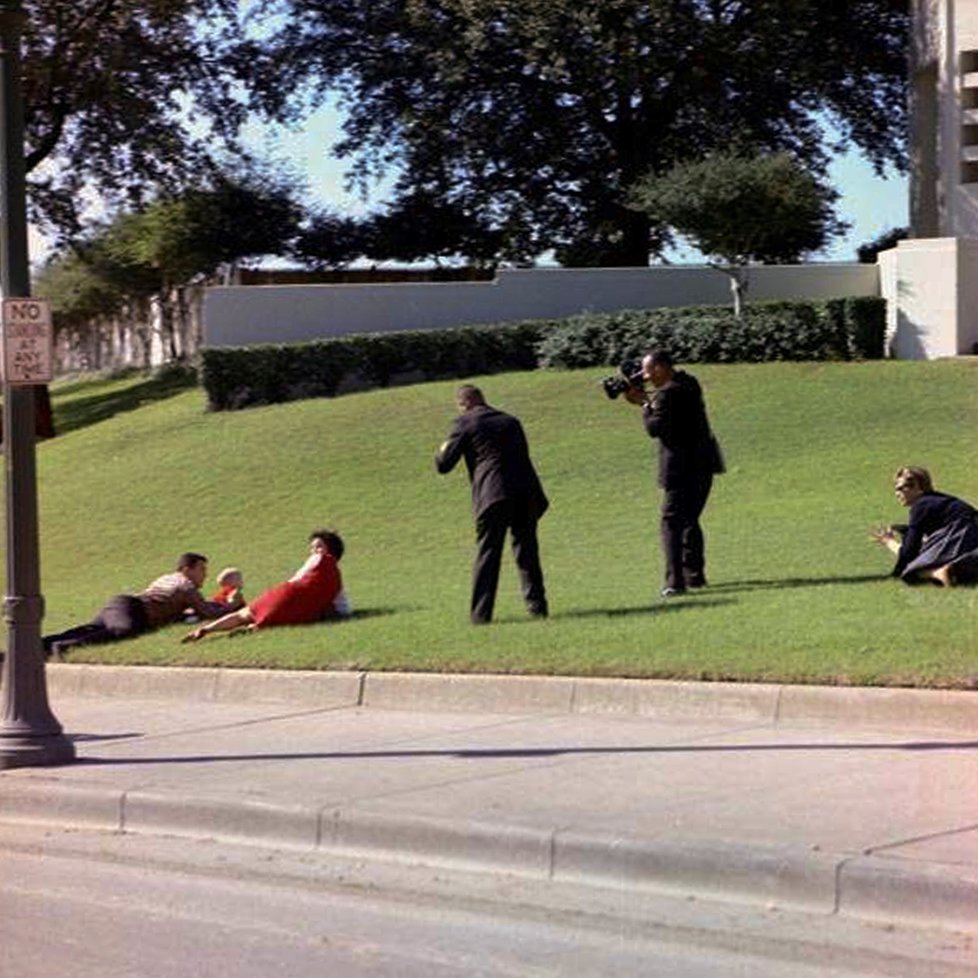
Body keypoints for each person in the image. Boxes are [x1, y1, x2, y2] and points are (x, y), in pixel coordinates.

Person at [436, 385, 549, 624]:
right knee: (527, 551)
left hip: (494, 493)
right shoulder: (511, 421)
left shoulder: (465, 422)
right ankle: (538, 609)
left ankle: (481, 615)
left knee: (488, 554)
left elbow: (444, 464)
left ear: (463, 403)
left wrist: (443, 448)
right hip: (526, 492)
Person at [624, 349, 724, 598]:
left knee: (670, 523)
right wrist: (646, 396)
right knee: (690, 520)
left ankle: (674, 582)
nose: (645, 376)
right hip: (704, 464)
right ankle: (695, 576)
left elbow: (654, 428)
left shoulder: (668, 394)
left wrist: (642, 404)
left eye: (647, 371)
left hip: (680, 468)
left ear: (660, 368)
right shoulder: (689, 383)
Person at [43, 552, 224, 657]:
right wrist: (234, 605)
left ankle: (42, 644)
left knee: (91, 628)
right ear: (186, 569)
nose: (205, 575)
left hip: (121, 603)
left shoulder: (167, 578)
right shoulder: (186, 587)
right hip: (134, 610)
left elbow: (177, 607)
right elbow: (207, 612)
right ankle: (64, 647)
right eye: (202, 569)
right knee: (122, 631)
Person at [182, 529, 345, 641]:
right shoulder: (338, 580)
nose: (314, 551)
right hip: (302, 611)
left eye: (318, 546)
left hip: (286, 593)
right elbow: (343, 608)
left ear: (329, 550)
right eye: (313, 548)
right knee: (268, 620)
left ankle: (207, 629)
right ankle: (254, 628)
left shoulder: (319, 558)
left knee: (242, 615)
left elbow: (297, 578)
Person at [871, 466, 978, 586]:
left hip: (962, 532)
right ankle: (949, 572)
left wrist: (897, 572)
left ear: (918, 487)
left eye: (901, 488)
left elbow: (909, 552)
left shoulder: (921, 505)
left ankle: (937, 572)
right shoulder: (941, 500)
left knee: (910, 572)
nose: (897, 494)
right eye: (896, 489)